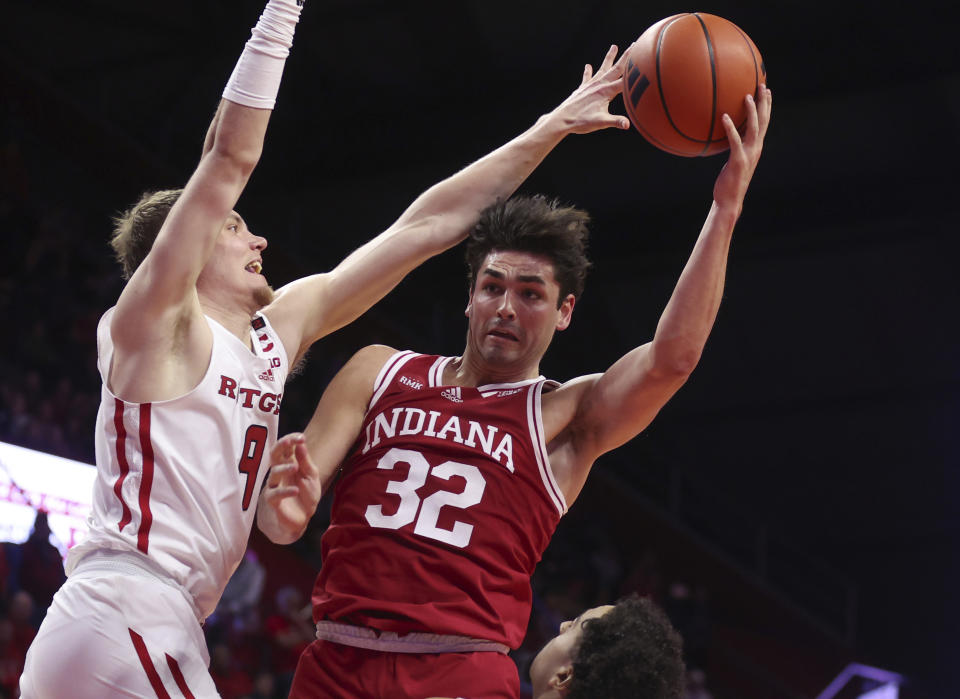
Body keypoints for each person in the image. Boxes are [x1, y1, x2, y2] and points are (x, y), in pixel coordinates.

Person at [18, 3, 633, 697]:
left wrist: (551, 128)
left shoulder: (275, 333)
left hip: (159, 623)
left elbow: (429, 225)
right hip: (123, 609)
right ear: (186, 253)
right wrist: (280, 13)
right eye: (236, 229)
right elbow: (228, 158)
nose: (258, 242)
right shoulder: (148, 325)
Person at [269, 78, 773, 697]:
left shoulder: (565, 414)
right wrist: (285, 512)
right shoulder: (378, 369)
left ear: (565, 312)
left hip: (460, 670)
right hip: (337, 659)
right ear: (470, 297)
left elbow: (673, 359)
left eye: (531, 294)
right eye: (493, 286)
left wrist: (725, 211)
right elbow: (284, 516)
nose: (506, 306)